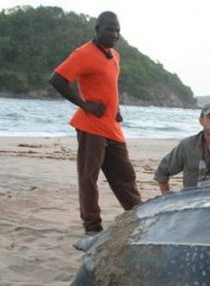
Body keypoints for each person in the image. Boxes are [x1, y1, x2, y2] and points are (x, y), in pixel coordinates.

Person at [49, 11, 141, 235]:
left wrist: (116, 109)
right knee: (89, 178)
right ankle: (92, 228)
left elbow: (109, 87)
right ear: (97, 29)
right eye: (110, 29)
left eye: (117, 30)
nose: (114, 34)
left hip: (112, 127)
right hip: (91, 127)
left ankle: (140, 219)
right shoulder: (83, 53)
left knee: (125, 176)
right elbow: (57, 79)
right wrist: (84, 105)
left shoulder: (114, 55)